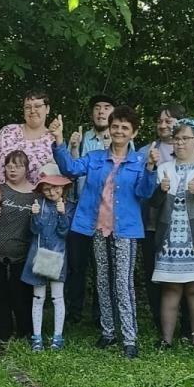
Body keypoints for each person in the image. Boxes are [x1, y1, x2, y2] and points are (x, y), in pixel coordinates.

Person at [53, 107, 157, 358]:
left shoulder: (140, 161)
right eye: (116, 126)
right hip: (96, 226)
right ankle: (108, 332)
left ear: (134, 133)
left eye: (125, 127)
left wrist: (152, 169)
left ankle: (130, 338)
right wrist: (59, 142)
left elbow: (145, 193)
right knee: (102, 279)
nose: (119, 131)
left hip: (125, 230)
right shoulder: (96, 157)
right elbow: (70, 169)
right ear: (109, 129)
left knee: (122, 283)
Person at [149, 119, 194, 347]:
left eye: (185, 138)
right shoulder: (163, 169)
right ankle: (166, 340)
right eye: (176, 139)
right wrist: (160, 191)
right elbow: (153, 204)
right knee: (170, 289)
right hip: (169, 239)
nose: (180, 143)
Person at [64, 93, 114, 323]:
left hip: (107, 213)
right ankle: (73, 312)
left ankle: (100, 314)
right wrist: (73, 147)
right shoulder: (82, 137)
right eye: (97, 107)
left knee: (103, 266)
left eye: (106, 107)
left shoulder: (122, 140)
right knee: (77, 263)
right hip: (79, 210)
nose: (101, 112)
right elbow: (71, 170)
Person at [139, 104, 185, 329]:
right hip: (152, 224)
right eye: (160, 121)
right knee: (154, 273)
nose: (163, 125)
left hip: (184, 226)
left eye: (169, 121)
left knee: (184, 274)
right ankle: (160, 321)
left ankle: (186, 323)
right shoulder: (146, 150)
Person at [0, 150, 35, 342]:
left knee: (21, 295)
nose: (12, 169)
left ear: (26, 168)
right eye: (9, 165)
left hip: (22, 256)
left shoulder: (35, 195)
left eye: (18, 165)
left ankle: (25, 331)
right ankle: (1, 333)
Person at [22, 162, 74, 351]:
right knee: (38, 297)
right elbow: (35, 230)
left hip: (58, 256)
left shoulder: (67, 206)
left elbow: (64, 232)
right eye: (46, 188)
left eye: (55, 187)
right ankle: (37, 337)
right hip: (38, 256)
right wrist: (34, 216)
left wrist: (62, 214)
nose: (51, 192)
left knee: (57, 298)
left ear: (63, 187)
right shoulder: (38, 204)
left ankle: (57, 337)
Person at [0, 91, 56, 185]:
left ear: (47, 109)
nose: (32, 110)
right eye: (27, 107)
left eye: (37, 106)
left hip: (36, 198)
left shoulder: (54, 139)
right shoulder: (7, 131)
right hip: (0, 197)